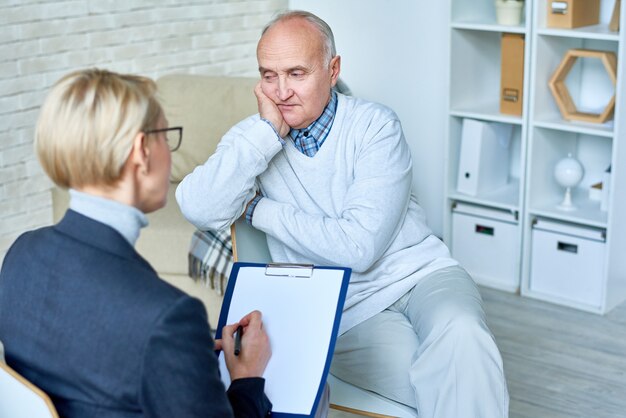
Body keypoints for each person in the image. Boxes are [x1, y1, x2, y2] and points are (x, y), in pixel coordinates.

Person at [176, 10, 509, 418]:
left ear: (333, 70)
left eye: (297, 73)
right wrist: (265, 135)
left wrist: (258, 208)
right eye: (268, 75)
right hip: (341, 306)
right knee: (453, 376)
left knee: (465, 338)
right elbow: (198, 207)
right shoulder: (254, 139)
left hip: (423, 275)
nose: (281, 91)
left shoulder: (375, 126)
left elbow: (358, 247)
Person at [0, 69, 273, 417]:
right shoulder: (168, 316)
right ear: (141, 151)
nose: (169, 153)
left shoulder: (21, 254)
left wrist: (180, 355)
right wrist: (247, 379)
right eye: (165, 136)